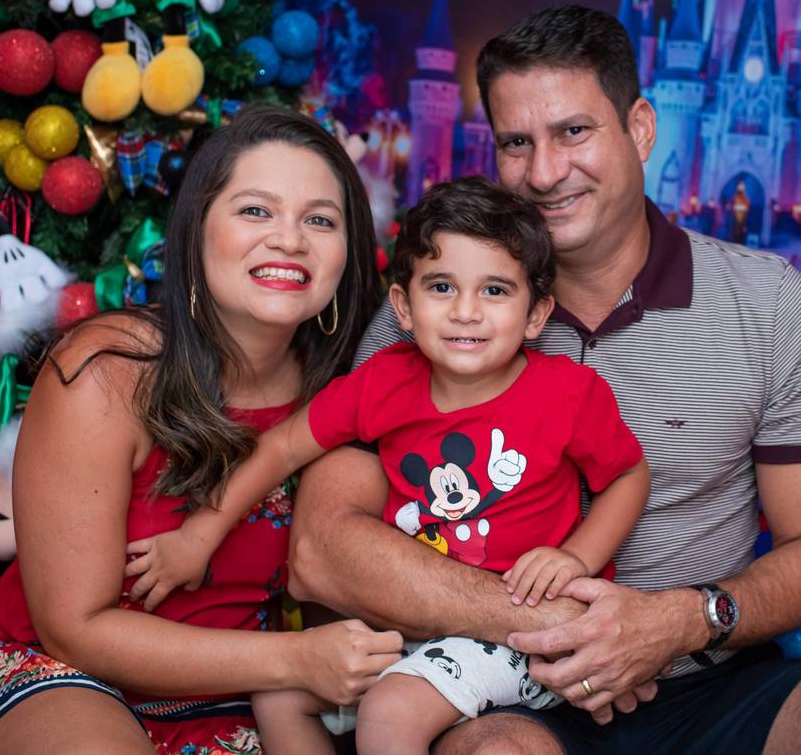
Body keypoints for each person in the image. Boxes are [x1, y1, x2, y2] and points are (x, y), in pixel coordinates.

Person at [288, 5, 801, 755]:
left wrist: (678, 623)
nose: (544, 172)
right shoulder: (437, 318)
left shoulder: (768, 302)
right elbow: (320, 550)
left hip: (711, 682)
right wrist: (563, 628)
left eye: (573, 132)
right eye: (517, 142)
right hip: (505, 686)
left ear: (642, 128)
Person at [0, 104, 405, 755]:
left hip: (240, 694)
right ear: (197, 230)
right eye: (256, 210)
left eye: (320, 219)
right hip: (56, 676)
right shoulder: (108, 369)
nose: (290, 240)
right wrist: (294, 659)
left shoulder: (346, 395)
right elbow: (73, 629)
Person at [124, 176, 651, 755]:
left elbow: (629, 476)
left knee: (391, 713)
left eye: (495, 290)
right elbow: (282, 447)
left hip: (519, 637)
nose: (467, 312)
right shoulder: (384, 381)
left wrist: (577, 557)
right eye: (442, 287)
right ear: (403, 306)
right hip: (413, 625)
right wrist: (198, 536)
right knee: (279, 694)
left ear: (535, 314)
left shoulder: (568, 393)